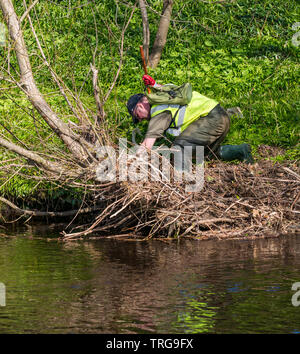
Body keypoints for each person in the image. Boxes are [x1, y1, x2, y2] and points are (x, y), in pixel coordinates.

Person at [127, 75, 254, 164]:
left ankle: (182, 184)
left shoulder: (158, 111)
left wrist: (130, 162)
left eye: (138, 115)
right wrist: (155, 85)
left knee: (178, 149)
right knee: (204, 153)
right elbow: (171, 87)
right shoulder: (166, 95)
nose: (142, 119)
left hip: (210, 119)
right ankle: (241, 151)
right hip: (221, 116)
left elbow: (146, 146)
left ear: (141, 104)